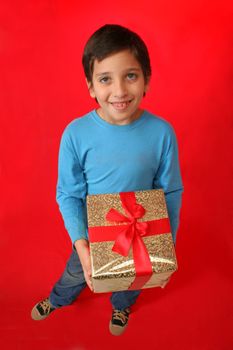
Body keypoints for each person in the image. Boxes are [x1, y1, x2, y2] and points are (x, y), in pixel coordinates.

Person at [31, 24, 183, 336]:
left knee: (130, 280)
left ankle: (122, 305)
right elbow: (69, 194)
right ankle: (58, 298)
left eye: (131, 75)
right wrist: (82, 244)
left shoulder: (162, 133)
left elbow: (170, 191)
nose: (119, 91)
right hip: (93, 233)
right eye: (105, 79)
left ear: (146, 80)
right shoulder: (75, 134)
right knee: (76, 272)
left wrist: (166, 250)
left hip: (143, 233)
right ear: (90, 86)